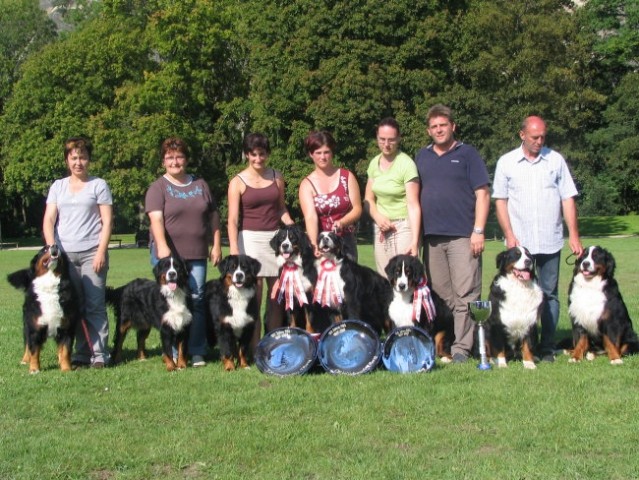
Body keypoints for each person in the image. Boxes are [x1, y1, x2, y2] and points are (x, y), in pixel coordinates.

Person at [492, 115, 583, 362]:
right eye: (534, 137)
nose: (539, 141)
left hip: (550, 241)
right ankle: (516, 344)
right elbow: (500, 200)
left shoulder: (555, 161)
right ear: (522, 135)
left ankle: (546, 347)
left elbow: (567, 198)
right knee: (518, 296)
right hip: (520, 245)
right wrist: (509, 235)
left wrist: (573, 234)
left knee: (549, 294)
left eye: (543, 136)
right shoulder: (507, 162)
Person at [415, 104, 491, 363]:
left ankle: (462, 349)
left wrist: (478, 230)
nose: (439, 130)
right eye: (434, 126)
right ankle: (443, 345)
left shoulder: (467, 154)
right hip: (432, 239)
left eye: (443, 125)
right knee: (440, 297)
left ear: (453, 126)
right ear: (429, 130)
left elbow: (483, 194)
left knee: (466, 295)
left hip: (463, 236)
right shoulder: (421, 157)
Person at [145, 137, 222, 367]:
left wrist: (216, 243)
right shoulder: (158, 187)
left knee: (196, 300)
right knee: (169, 303)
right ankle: (171, 351)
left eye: (179, 156)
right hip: (168, 255)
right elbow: (156, 219)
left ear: (186, 159)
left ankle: (196, 350)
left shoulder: (200, 184)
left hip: (197, 253)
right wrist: (163, 248)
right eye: (170, 157)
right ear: (163, 161)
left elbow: (213, 215)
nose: (175, 161)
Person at [43, 137, 113, 369]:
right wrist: (53, 248)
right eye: (74, 158)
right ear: (67, 160)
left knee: (94, 304)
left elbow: (107, 221)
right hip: (64, 257)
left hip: (92, 253)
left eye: (83, 157)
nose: (78, 162)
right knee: (74, 306)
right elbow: (49, 219)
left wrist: (101, 251)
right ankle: (82, 354)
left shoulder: (99, 185)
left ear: (89, 160)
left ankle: (100, 354)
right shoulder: (58, 186)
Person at [227, 133, 295, 339]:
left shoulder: (277, 177)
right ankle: (254, 346)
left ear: (268, 154)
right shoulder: (237, 182)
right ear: (247, 155)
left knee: (277, 296)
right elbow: (232, 219)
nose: (258, 159)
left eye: (262, 154)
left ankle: (272, 341)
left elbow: (281, 209)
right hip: (249, 240)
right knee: (254, 297)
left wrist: (294, 229)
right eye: (253, 154)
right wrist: (234, 249)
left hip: (275, 241)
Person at [364, 117, 421, 276]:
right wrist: (377, 217)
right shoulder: (374, 163)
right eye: (382, 139)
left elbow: (413, 205)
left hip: (403, 228)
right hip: (381, 228)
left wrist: (415, 241)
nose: (386, 144)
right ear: (377, 137)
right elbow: (368, 199)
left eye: (391, 140)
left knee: (403, 279)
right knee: (383, 278)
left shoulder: (406, 164)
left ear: (399, 139)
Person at [299, 130, 362, 261]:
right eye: (318, 153)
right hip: (322, 244)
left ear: (332, 152)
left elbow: (357, 209)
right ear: (311, 154)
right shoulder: (306, 185)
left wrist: (342, 222)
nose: (323, 157)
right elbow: (310, 217)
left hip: (345, 244)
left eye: (326, 152)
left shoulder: (347, 177)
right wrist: (314, 244)